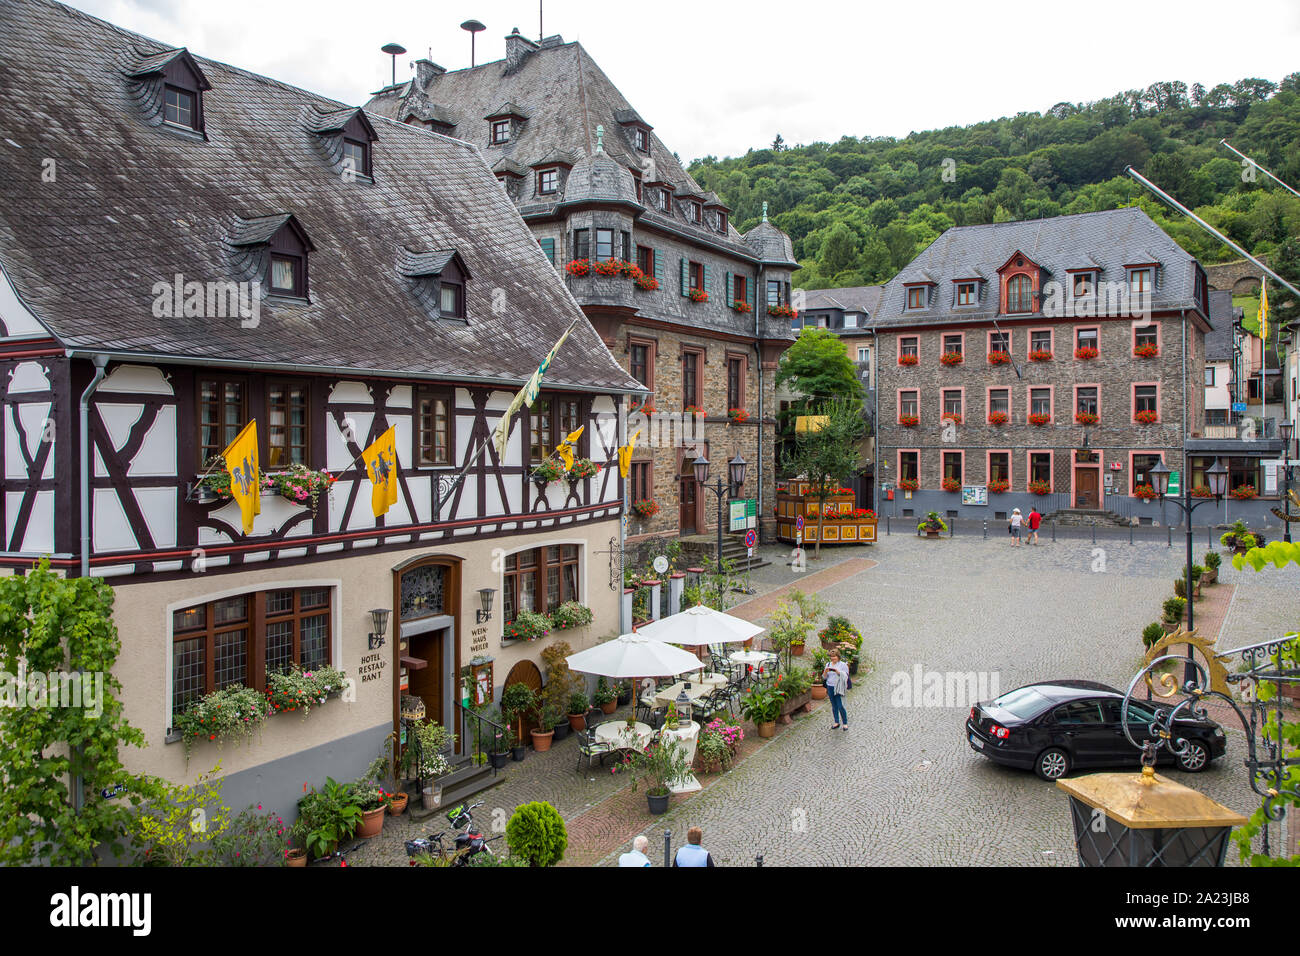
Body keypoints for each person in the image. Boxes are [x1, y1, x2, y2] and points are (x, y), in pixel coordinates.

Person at [823, 648, 851, 730]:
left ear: (838, 657)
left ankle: (845, 722)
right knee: (834, 705)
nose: (833, 658)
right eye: (831, 657)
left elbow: (846, 676)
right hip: (830, 686)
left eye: (834, 657)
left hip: (838, 687)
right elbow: (824, 677)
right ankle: (836, 721)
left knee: (840, 705)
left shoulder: (843, 665)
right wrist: (825, 672)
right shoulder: (828, 664)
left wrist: (838, 672)